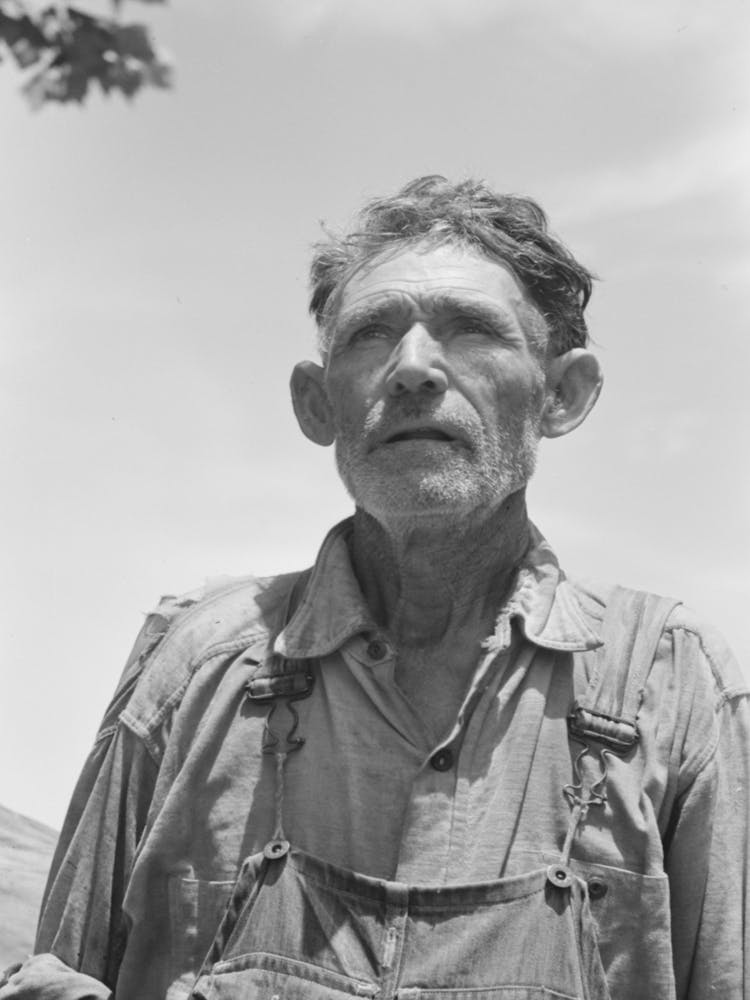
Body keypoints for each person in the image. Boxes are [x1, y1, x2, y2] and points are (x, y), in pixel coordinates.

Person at [2, 176, 747, 1000]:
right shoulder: (198, 668)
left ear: (561, 396)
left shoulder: (666, 687)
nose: (414, 368)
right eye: (371, 335)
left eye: (471, 332)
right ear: (318, 404)